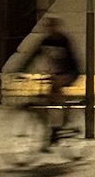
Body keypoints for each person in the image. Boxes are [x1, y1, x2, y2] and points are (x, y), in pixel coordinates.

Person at [21, 16, 81, 146]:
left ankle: (63, 122)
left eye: (52, 27)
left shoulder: (64, 41)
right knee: (45, 100)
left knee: (55, 90)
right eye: (48, 27)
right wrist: (20, 70)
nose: (49, 30)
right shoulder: (45, 41)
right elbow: (32, 56)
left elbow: (74, 62)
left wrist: (62, 76)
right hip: (56, 73)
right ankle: (53, 128)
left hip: (70, 72)